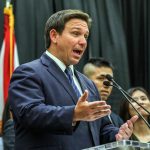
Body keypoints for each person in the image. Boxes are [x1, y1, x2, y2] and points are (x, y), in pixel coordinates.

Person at [8, 9, 138, 150]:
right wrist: (73, 114)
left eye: (86, 36)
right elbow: (29, 113)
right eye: (76, 34)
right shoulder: (29, 72)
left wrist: (117, 134)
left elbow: (100, 127)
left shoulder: (88, 83)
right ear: (54, 35)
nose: (83, 42)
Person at [83, 57, 124, 127]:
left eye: (110, 80)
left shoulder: (117, 120)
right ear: (85, 80)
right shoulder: (77, 113)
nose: (107, 84)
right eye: (101, 78)